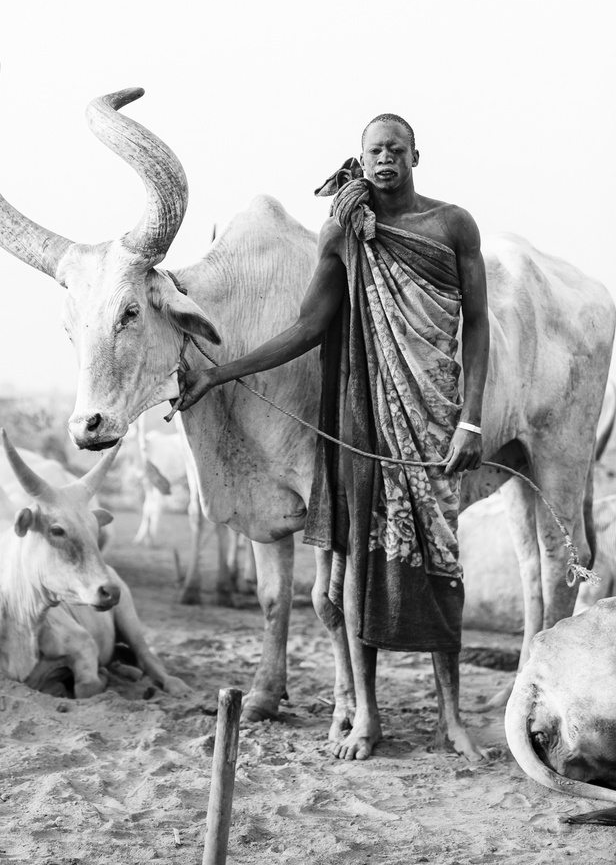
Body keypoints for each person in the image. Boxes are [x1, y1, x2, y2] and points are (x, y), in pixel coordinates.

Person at [175, 114, 490, 762]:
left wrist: (471, 420)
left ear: (415, 156)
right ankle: (367, 715)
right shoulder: (343, 233)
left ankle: (451, 715)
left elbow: (477, 326)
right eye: (375, 150)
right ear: (361, 157)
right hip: (360, 424)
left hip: (431, 420)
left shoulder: (452, 225)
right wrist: (222, 371)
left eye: (396, 150)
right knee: (354, 570)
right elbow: (309, 327)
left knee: (440, 568)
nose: (385, 160)